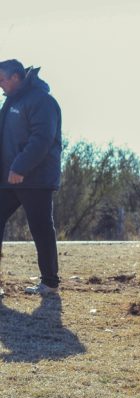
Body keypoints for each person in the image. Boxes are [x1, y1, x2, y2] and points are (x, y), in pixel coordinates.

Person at [0, 59, 63, 296]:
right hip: (7, 179)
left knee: (41, 227)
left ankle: (49, 283)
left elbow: (42, 139)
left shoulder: (42, 101)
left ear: (16, 77)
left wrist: (20, 167)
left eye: (2, 79)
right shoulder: (11, 102)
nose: (0, 85)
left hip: (34, 178)